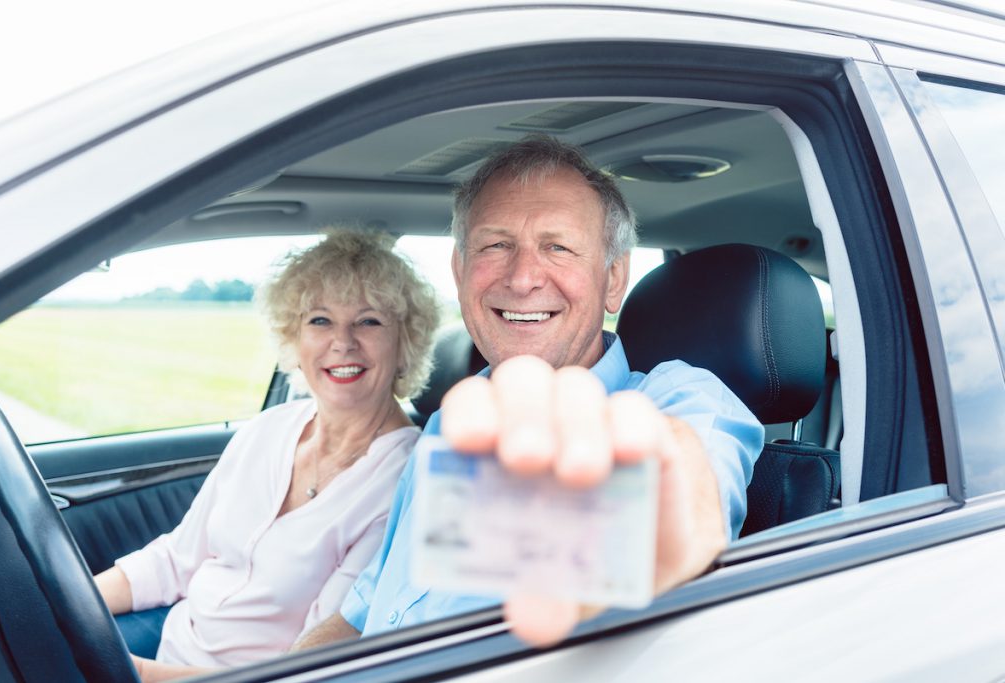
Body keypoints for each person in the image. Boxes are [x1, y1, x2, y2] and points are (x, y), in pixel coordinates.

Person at [294, 135, 764, 649]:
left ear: (612, 279)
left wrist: (639, 527)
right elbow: (364, 615)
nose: (521, 279)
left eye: (557, 247)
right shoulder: (446, 425)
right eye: (496, 245)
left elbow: (686, 496)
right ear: (459, 271)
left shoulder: (680, 400)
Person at [94, 230, 440, 680]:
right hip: (171, 638)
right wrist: (67, 601)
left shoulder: (404, 479)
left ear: (405, 344)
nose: (343, 342)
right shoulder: (267, 430)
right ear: (293, 339)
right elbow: (176, 560)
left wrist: (135, 674)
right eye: (320, 320)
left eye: (369, 321)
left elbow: (311, 659)